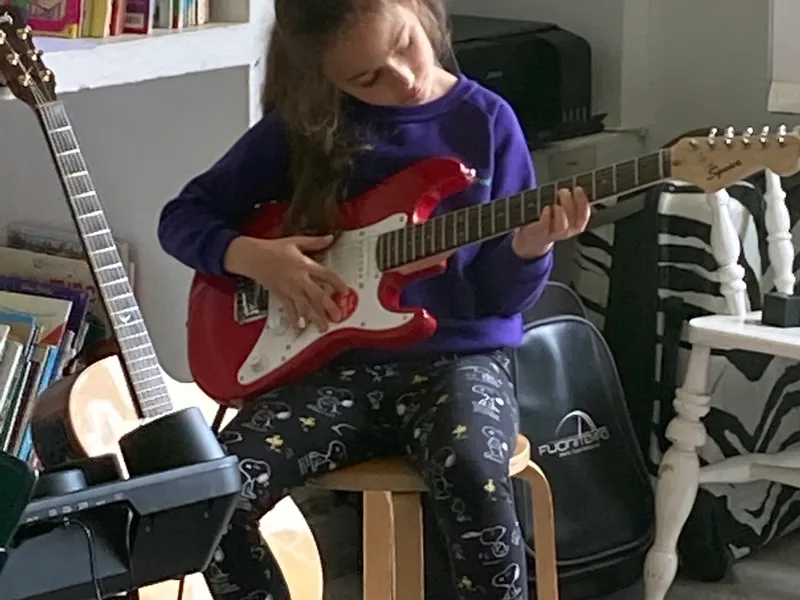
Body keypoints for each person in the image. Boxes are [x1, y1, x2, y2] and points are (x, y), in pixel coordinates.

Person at [157, 0, 590, 598]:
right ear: (324, 75)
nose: (404, 78)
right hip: (330, 373)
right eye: (366, 78)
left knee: (473, 472)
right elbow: (181, 218)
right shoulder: (304, 127)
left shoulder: (487, 121)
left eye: (405, 44)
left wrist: (530, 246)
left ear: (417, 9)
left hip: (457, 363)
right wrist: (253, 257)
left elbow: (498, 299)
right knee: (209, 496)